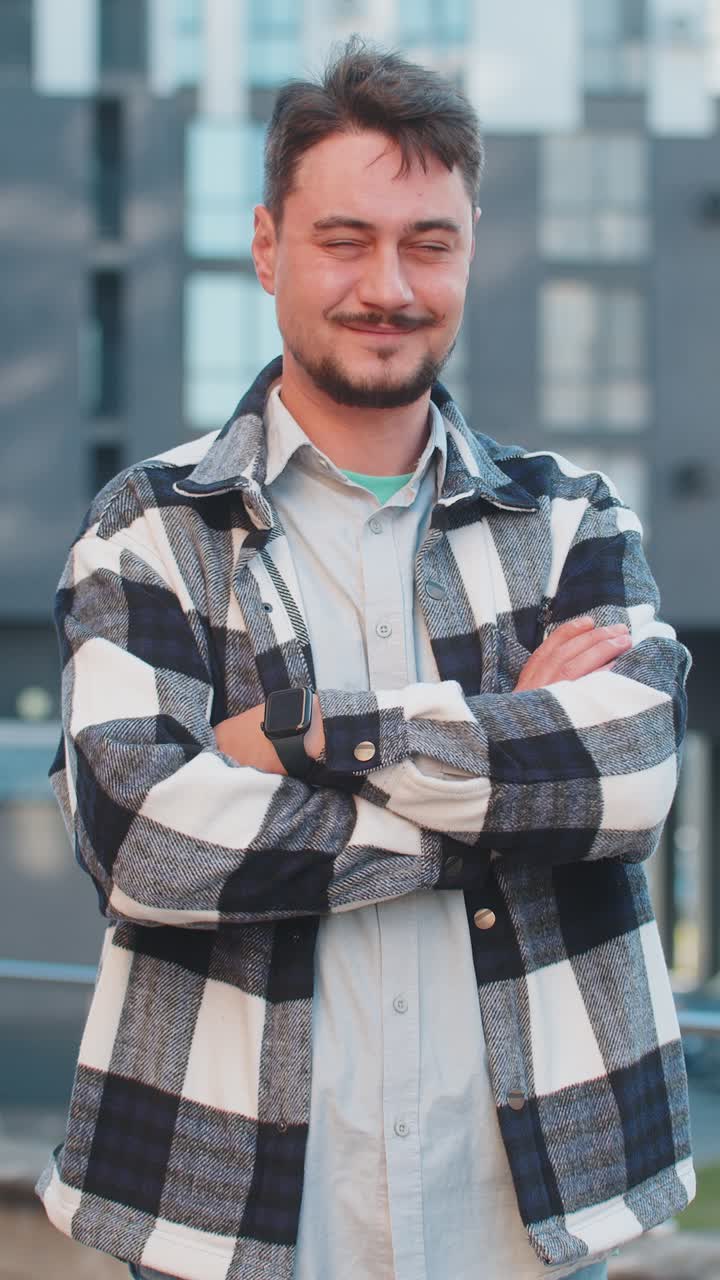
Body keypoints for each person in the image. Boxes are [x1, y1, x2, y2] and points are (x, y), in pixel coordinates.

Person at [36, 38, 694, 1280]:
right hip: (226, 1219)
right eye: (344, 239)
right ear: (267, 245)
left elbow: (631, 777)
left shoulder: (572, 518)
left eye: (427, 243)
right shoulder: (152, 530)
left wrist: (297, 737)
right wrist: (503, 788)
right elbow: (142, 839)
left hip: (526, 1224)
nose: (387, 285)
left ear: (470, 249)